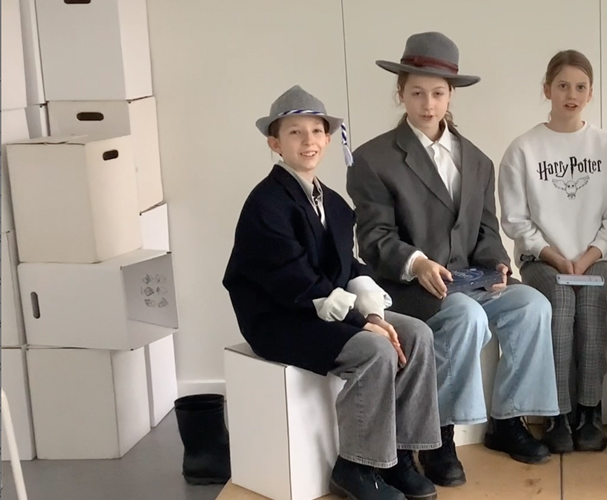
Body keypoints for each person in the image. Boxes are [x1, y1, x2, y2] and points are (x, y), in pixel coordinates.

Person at [346, 32, 560, 486]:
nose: (428, 104)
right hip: (411, 286)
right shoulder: (373, 159)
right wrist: (418, 263)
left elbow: (486, 230)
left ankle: (508, 421)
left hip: (469, 279)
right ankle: (437, 436)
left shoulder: (477, 160)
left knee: (532, 305)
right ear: (400, 92)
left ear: (451, 95)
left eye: (438, 93)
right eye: (417, 93)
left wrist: (498, 263)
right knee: (465, 315)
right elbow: (374, 238)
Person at [222, 86, 441, 500]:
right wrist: (362, 323)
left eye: (316, 131)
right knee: (374, 350)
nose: (308, 141)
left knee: (417, 334)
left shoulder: (335, 204)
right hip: (282, 317)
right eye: (294, 132)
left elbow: (347, 266)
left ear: (327, 138)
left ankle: (399, 455)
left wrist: (372, 313)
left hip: (327, 308)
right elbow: (295, 280)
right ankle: (356, 465)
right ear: (275, 143)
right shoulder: (266, 205)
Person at [498, 50, 607, 454]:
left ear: (590, 93)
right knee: (559, 297)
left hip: (596, 260)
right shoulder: (523, 149)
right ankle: (557, 413)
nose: (571, 95)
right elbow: (516, 220)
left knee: (590, 299)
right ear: (547, 90)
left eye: (580, 87)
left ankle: (589, 412)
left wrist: (589, 256)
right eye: (562, 86)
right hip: (542, 261)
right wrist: (555, 257)